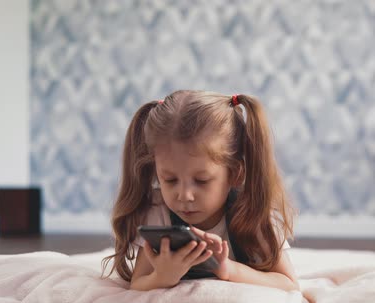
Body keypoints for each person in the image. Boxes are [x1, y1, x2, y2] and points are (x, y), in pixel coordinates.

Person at [103, 90, 298, 291]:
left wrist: (228, 269)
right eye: (169, 180)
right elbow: (138, 283)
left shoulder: (253, 214)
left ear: (235, 174)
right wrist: (162, 276)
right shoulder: (158, 212)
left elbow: (289, 284)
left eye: (202, 180)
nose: (184, 195)